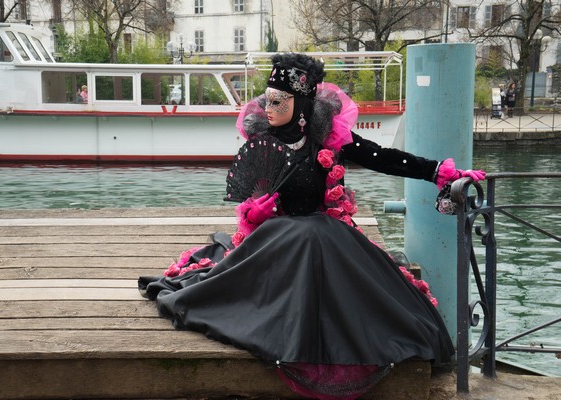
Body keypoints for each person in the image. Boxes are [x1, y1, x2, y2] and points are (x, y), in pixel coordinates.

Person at [139, 53, 486, 399]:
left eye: (278, 100)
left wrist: (438, 171)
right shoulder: (262, 140)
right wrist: (253, 214)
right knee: (305, 241)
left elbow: (384, 158)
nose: (268, 107)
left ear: (301, 103)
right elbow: (248, 199)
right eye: (266, 100)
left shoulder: (328, 139)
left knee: (325, 246)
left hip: (327, 233)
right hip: (276, 240)